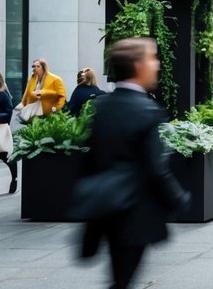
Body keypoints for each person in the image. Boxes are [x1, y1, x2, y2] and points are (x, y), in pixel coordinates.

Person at [79, 37, 189, 289]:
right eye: (152, 58)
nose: (157, 64)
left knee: (120, 276)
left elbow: (89, 160)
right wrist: (178, 198)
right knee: (123, 279)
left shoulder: (102, 106)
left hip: (105, 209)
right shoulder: (145, 110)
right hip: (134, 212)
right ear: (138, 66)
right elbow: (155, 168)